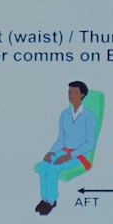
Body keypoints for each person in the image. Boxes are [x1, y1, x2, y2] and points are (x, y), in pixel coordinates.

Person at [33, 79, 96, 215]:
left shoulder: (89, 116)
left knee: (53, 169)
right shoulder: (64, 114)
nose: (70, 95)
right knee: (44, 166)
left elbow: (90, 143)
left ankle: (51, 201)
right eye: (69, 92)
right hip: (63, 151)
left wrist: (70, 156)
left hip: (79, 155)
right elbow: (61, 139)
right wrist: (51, 152)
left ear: (82, 94)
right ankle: (44, 199)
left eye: (74, 92)